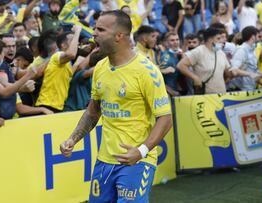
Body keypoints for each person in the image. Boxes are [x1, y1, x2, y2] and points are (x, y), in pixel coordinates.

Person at [60, 10, 172, 202]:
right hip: (105, 160)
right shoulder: (100, 68)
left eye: (101, 29)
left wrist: (141, 151)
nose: (94, 33)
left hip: (137, 162)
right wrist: (73, 138)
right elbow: (93, 111)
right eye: (94, 28)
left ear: (119, 35)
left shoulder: (146, 71)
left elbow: (165, 118)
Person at [177, 27, 258, 94]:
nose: (222, 41)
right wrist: (194, 78)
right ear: (210, 40)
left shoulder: (220, 53)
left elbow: (229, 74)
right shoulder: (199, 51)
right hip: (205, 95)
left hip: (221, 94)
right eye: (218, 38)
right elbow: (180, 65)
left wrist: (240, 70)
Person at [35, 25, 82, 113]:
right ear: (63, 45)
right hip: (47, 105)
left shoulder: (66, 63)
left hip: (58, 106)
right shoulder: (57, 56)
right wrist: (77, 32)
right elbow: (71, 54)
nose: (77, 43)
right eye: (73, 41)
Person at [227, 26, 262, 91]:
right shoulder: (241, 50)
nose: (260, 38)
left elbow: (254, 72)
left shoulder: (252, 50)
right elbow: (234, 70)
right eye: (258, 36)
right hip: (238, 90)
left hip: (249, 90)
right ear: (253, 37)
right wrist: (249, 74)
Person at [159, 32, 182, 96]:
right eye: (172, 40)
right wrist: (171, 92)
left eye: (177, 39)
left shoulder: (180, 53)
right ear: (166, 42)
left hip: (178, 90)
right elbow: (159, 78)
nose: (176, 42)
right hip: (170, 93)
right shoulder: (166, 58)